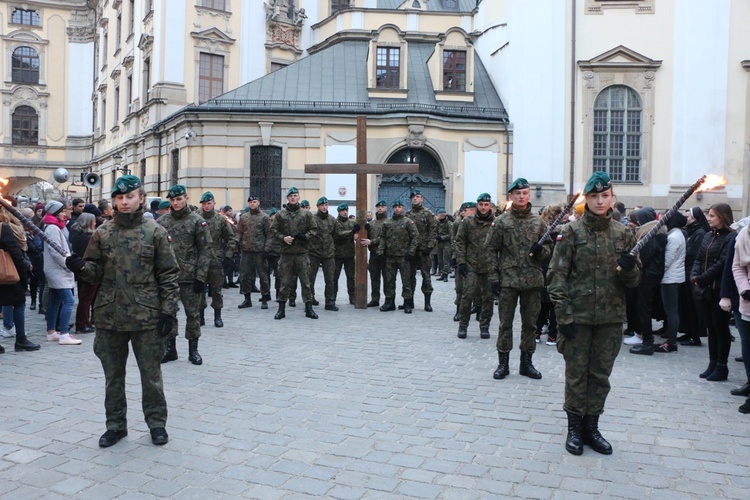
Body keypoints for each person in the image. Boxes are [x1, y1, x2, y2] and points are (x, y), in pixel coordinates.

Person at [65, 175, 180, 447]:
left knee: (151, 376)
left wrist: (169, 313)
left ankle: (156, 424)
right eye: (119, 198)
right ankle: (115, 425)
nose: (124, 202)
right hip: (110, 317)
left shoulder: (155, 232)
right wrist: (79, 267)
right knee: (113, 377)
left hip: (147, 317)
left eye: (129, 197)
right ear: (114, 201)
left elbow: (169, 275)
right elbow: (94, 273)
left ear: (141, 197)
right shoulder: (102, 234)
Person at [548, 172, 641, 456]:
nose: (600, 201)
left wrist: (629, 269)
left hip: (610, 320)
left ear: (612, 197)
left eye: (605, 196)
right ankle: (574, 428)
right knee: (576, 375)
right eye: (594, 197)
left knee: (600, 376)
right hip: (578, 317)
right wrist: (564, 317)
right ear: (585, 199)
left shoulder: (623, 233)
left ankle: (592, 427)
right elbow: (556, 276)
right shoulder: (572, 233)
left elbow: (635, 281)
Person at [487, 178, 551, 380]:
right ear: (511, 196)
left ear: (529, 195)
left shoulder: (539, 222)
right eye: (518, 193)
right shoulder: (502, 222)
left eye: (525, 193)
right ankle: (503, 363)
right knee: (505, 323)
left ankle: (526, 363)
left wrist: (541, 251)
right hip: (508, 280)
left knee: (530, 324)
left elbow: (549, 249)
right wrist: (493, 277)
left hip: (532, 281)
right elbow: (490, 250)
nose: (522, 196)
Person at [158, 184, 212, 365]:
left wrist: (201, 277)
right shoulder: (163, 222)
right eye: (172, 200)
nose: (175, 203)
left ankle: (193, 350)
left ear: (186, 198)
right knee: (168, 313)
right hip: (168, 277)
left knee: (193, 314)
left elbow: (205, 250)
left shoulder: (197, 221)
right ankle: (170, 349)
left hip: (190, 277)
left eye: (179, 199)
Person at [691, 203, 736, 381]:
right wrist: (694, 275)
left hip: (719, 289)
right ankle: (712, 362)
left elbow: (722, 264)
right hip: (706, 290)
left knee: (720, 328)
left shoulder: (731, 237)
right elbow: (699, 258)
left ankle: (721, 366)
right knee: (711, 328)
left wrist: (702, 279)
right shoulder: (708, 236)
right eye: (708, 215)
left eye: (712, 216)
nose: (708, 219)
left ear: (722, 217)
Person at [269, 187, 318, 320]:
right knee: (284, 282)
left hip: (302, 253)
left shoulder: (306, 214)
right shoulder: (280, 214)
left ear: (298, 197)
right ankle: (281, 309)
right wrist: (283, 238)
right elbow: (273, 230)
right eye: (291, 196)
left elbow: (314, 230)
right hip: (286, 254)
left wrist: (305, 236)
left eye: (295, 195)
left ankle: (309, 308)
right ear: (287, 198)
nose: (293, 198)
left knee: (306, 282)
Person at [454, 193, 496, 339]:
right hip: (471, 265)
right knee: (467, 295)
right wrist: (461, 262)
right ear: (477, 205)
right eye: (481, 204)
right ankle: (463, 325)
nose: (483, 207)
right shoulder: (468, 222)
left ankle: (484, 326)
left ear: (490, 206)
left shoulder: (496, 223)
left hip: (490, 266)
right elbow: (459, 242)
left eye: (486, 205)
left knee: (488, 298)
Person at [626, 207, 667, 355]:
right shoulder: (652, 232)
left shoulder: (651, 235)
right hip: (650, 275)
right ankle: (645, 339)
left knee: (644, 309)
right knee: (643, 307)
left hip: (648, 276)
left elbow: (645, 257)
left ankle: (647, 342)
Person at [0, 204, 40, 353]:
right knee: (19, 304)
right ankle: (21, 339)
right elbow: (16, 254)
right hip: (6, 274)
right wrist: (24, 279)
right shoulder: (3, 228)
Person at [43, 200, 81, 346]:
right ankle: (64, 334)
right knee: (69, 300)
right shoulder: (52, 228)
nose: (65, 214)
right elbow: (56, 251)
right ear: (57, 212)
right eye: (63, 211)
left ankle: (51, 331)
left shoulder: (53, 226)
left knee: (55, 301)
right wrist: (67, 265)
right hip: (58, 269)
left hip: (56, 269)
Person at [199, 192, 234, 327]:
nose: (206, 206)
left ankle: (217, 317)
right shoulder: (196, 218)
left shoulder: (220, 220)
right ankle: (200, 316)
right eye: (204, 204)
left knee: (216, 290)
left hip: (216, 260)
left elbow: (230, 238)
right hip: (200, 261)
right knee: (200, 290)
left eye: (209, 203)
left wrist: (228, 255)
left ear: (214, 203)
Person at [378, 199, 418, 313]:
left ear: (403, 208)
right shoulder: (387, 223)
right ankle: (389, 302)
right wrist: (381, 250)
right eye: (395, 207)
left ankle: (407, 303)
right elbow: (383, 238)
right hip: (390, 256)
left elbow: (415, 238)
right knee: (389, 280)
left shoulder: (408, 222)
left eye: (399, 207)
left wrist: (411, 252)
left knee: (406, 281)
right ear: (392, 209)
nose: (397, 209)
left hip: (404, 257)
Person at [655, 211, 686, 353]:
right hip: (674, 277)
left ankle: (672, 342)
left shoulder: (673, 237)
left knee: (671, 311)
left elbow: (667, 260)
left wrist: (656, 271)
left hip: (670, 278)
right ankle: (671, 340)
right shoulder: (677, 234)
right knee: (672, 311)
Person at [679, 207, 710, 346]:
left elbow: (693, 254)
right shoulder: (692, 232)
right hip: (687, 273)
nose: (686, 220)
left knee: (694, 306)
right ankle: (689, 332)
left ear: (695, 219)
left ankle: (696, 335)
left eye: (688, 217)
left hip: (693, 274)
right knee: (687, 306)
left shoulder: (700, 233)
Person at [236, 195, 271, 309]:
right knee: (244, 276)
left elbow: (269, 235)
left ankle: (265, 298)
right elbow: (239, 232)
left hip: (259, 251)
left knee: (262, 276)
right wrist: (236, 242)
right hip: (246, 251)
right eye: (250, 202)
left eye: (254, 202)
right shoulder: (244, 217)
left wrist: (267, 249)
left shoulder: (264, 217)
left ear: (258, 203)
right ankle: (247, 299)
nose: (252, 204)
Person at [536, 204, 564, 346]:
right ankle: (551, 334)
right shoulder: (559, 232)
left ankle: (540, 332)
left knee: (543, 303)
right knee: (549, 304)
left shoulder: (543, 229)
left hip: (545, 268)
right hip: (552, 268)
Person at [406, 189, 437, 312]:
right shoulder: (407, 214)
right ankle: (410, 300)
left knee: (426, 276)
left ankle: (427, 302)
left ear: (422, 199)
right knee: (409, 276)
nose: (415, 198)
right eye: (413, 197)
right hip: (411, 250)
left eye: (418, 196)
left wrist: (429, 246)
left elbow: (433, 231)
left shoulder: (428, 214)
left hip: (424, 250)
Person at [730, 223, 750, 412]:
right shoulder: (744, 233)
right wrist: (745, 288)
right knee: (747, 345)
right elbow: (737, 266)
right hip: (748, 301)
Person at [69, 213, 98, 334]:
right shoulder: (86, 238)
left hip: (81, 269)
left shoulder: (76, 235)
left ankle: (85, 322)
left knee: (84, 297)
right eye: (94, 222)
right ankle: (82, 323)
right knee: (86, 298)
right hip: (88, 270)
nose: (95, 224)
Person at [308, 197, 338, 311]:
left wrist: (352, 232)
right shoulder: (312, 219)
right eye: (322, 205)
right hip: (314, 253)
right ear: (318, 206)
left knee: (330, 279)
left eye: (326, 205)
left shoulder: (332, 219)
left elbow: (337, 234)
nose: (324, 207)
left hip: (328, 254)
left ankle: (330, 302)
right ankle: (309, 300)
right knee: (310, 279)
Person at [360, 200, 388, 307]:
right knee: (374, 277)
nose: (380, 208)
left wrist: (371, 241)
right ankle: (375, 299)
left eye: (382, 206)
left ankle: (388, 299)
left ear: (386, 208)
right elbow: (365, 237)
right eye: (378, 207)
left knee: (387, 277)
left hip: (385, 253)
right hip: (374, 254)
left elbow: (386, 238)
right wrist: (365, 230)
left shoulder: (389, 222)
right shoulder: (372, 223)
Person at [451, 202, 475, 322]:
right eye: (463, 210)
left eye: (467, 210)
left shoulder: (477, 223)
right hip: (461, 259)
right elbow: (455, 241)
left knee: (476, 288)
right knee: (460, 287)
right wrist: (455, 257)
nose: (464, 212)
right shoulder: (457, 224)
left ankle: (477, 308)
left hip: (475, 260)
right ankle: (459, 310)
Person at [333, 203, 358, 306]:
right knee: (334, 278)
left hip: (349, 254)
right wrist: (352, 232)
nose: (345, 212)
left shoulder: (352, 222)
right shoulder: (335, 222)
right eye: (343, 210)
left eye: (346, 210)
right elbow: (338, 235)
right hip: (337, 255)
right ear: (339, 211)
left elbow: (359, 231)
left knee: (351, 278)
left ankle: (352, 297)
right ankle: (332, 297)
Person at [435, 209, 452, 282]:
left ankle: (445, 275)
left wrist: (442, 237)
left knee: (446, 260)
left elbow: (451, 235)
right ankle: (442, 273)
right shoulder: (438, 223)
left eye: (438, 214)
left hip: (446, 244)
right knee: (440, 260)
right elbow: (435, 231)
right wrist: (436, 236)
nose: (437, 216)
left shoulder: (449, 223)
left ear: (442, 215)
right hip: (439, 243)